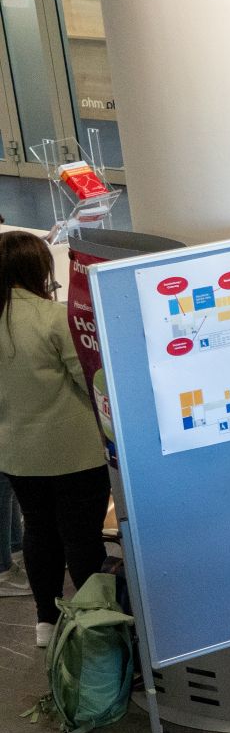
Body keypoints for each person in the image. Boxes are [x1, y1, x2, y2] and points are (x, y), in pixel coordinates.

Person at [0, 231, 107, 649]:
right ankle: (91, 617)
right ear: (38, 270)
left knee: (38, 532)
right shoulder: (55, 318)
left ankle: (45, 621)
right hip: (76, 452)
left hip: (18, 454)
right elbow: (89, 381)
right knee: (82, 537)